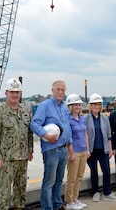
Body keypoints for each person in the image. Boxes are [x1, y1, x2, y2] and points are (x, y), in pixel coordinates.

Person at [0, 78, 34, 210]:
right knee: (3, 195)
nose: (15, 95)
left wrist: (30, 150)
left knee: (20, 192)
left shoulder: (25, 111)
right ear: (6, 93)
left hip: (22, 159)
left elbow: (29, 132)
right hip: (5, 161)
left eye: (17, 92)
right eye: (12, 92)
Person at [30, 80, 72, 210]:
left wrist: (70, 145)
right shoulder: (45, 105)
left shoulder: (65, 108)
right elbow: (34, 124)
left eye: (62, 90)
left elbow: (68, 127)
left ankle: (57, 204)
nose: (60, 92)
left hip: (63, 149)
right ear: (52, 90)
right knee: (49, 182)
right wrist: (45, 135)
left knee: (59, 180)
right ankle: (47, 207)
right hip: (51, 150)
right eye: (58, 89)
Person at [85, 93, 116, 202]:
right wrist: (86, 149)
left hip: (103, 149)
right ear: (91, 106)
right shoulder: (85, 119)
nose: (97, 107)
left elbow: (109, 134)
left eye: (99, 104)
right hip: (91, 150)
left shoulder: (105, 118)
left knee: (106, 170)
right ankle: (95, 192)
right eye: (94, 104)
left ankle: (107, 192)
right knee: (93, 171)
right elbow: (84, 135)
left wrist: (110, 148)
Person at [64, 93, 90, 210]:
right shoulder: (68, 120)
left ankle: (75, 199)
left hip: (83, 151)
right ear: (70, 106)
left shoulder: (82, 119)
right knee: (72, 178)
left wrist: (88, 149)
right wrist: (70, 153)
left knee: (79, 177)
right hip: (74, 152)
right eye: (75, 105)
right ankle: (69, 202)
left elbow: (85, 134)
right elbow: (68, 137)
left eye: (79, 105)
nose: (78, 107)